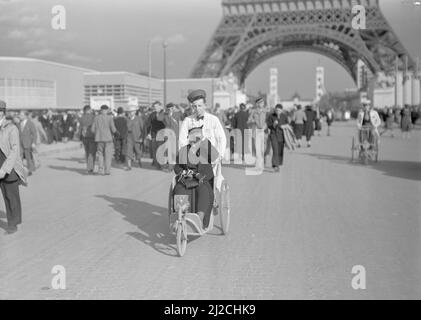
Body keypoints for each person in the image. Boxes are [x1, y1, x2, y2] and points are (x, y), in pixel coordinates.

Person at [179, 89, 226, 190]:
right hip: (193, 161)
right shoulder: (187, 121)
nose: (197, 109)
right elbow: (182, 141)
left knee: (210, 184)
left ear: (205, 105)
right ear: (191, 107)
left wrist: (220, 156)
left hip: (211, 159)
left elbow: (221, 139)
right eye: (194, 106)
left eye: (200, 106)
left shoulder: (213, 120)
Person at [173, 126, 219, 230]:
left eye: (197, 139)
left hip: (202, 179)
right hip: (186, 179)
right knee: (179, 189)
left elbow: (215, 156)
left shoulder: (205, 149)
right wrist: (183, 172)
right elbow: (177, 166)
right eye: (192, 139)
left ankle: (199, 219)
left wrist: (204, 140)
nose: (194, 142)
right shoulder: (184, 150)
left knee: (204, 192)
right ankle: (180, 216)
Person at [0, 100, 27, 234]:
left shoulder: (11, 128)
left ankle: (13, 223)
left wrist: (4, 170)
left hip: (9, 167)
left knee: (11, 196)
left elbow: (14, 150)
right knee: (5, 195)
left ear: (2, 112)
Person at [91, 105, 117, 175]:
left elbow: (92, 129)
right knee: (108, 155)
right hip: (108, 139)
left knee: (100, 155)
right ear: (107, 110)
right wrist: (116, 133)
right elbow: (113, 129)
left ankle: (100, 169)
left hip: (99, 139)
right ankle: (107, 170)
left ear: (101, 110)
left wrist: (97, 133)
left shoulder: (96, 118)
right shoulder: (109, 118)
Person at [266, 104, 288, 172]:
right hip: (273, 135)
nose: (277, 111)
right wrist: (273, 125)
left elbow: (288, 124)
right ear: (275, 110)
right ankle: (276, 166)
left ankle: (278, 163)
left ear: (281, 110)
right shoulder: (271, 116)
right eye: (276, 110)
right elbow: (268, 125)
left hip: (282, 136)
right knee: (275, 150)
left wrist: (284, 126)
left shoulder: (284, 116)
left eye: (279, 110)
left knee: (280, 151)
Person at [247, 97, 267, 169]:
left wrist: (266, 126)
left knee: (263, 148)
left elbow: (268, 120)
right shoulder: (253, 111)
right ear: (258, 104)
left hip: (264, 131)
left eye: (263, 103)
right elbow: (248, 121)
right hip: (256, 131)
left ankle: (261, 161)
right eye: (261, 103)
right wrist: (253, 121)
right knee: (258, 148)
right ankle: (259, 164)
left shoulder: (265, 111)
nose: (262, 104)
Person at [146, 101, 166, 170]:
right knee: (154, 151)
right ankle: (157, 165)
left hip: (161, 135)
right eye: (154, 107)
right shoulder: (152, 114)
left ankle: (162, 166)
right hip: (154, 135)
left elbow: (167, 124)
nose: (155, 108)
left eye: (157, 106)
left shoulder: (164, 114)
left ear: (160, 106)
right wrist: (148, 133)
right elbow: (148, 124)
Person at [18, 111, 38, 176]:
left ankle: (30, 170)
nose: (19, 116)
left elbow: (34, 133)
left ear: (25, 116)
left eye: (21, 115)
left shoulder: (30, 123)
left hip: (28, 143)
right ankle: (19, 171)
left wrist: (34, 143)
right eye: (19, 115)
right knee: (19, 158)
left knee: (28, 157)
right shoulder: (18, 123)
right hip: (20, 144)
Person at [125, 105, 144, 170]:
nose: (130, 113)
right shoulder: (127, 119)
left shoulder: (139, 119)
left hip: (137, 136)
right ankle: (129, 166)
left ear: (135, 112)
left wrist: (142, 137)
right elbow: (125, 129)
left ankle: (139, 162)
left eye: (131, 112)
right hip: (129, 137)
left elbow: (142, 129)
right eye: (129, 112)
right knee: (128, 151)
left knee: (137, 151)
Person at [79, 105, 97, 174]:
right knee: (92, 153)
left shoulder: (81, 118)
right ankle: (90, 169)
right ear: (89, 110)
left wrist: (80, 139)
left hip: (84, 137)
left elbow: (80, 129)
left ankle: (88, 167)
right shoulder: (93, 117)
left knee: (87, 152)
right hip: (92, 137)